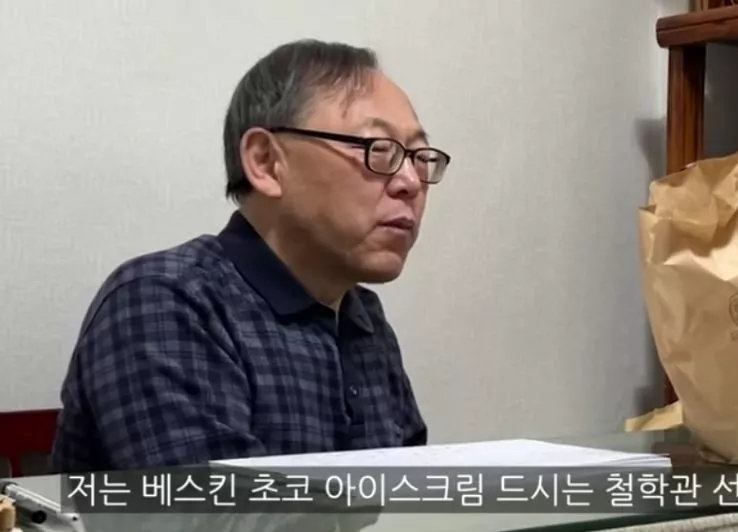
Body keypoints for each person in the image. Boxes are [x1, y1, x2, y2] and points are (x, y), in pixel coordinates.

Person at [51, 39, 449, 473]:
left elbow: (409, 490)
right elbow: (217, 506)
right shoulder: (165, 301)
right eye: (379, 150)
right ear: (265, 162)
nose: (411, 182)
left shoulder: (362, 317)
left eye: (420, 157)